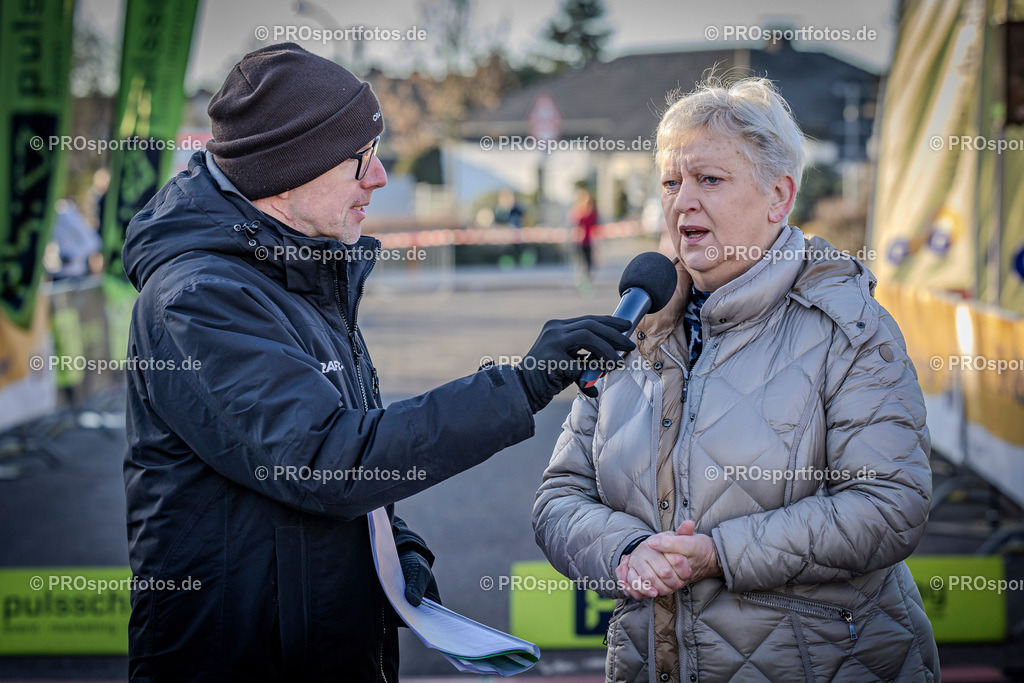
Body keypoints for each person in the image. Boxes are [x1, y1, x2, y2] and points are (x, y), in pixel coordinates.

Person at [121, 43, 633, 682]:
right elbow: (325, 459)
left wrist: (394, 548)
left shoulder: (295, 272)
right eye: (361, 160)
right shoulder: (198, 300)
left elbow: (344, 457)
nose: (380, 178)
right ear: (291, 170)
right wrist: (523, 383)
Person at [533, 76, 939, 682]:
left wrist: (720, 554)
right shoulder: (638, 326)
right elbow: (559, 498)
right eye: (671, 181)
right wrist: (624, 550)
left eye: (710, 180)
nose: (682, 201)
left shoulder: (849, 327)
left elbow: (889, 505)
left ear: (779, 196)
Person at [571, 188, 599, 287]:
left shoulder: (592, 214)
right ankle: (582, 279)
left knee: (588, 262)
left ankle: (587, 279)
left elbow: (595, 227)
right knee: (581, 261)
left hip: (588, 241)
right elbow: (574, 222)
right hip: (580, 241)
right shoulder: (580, 213)